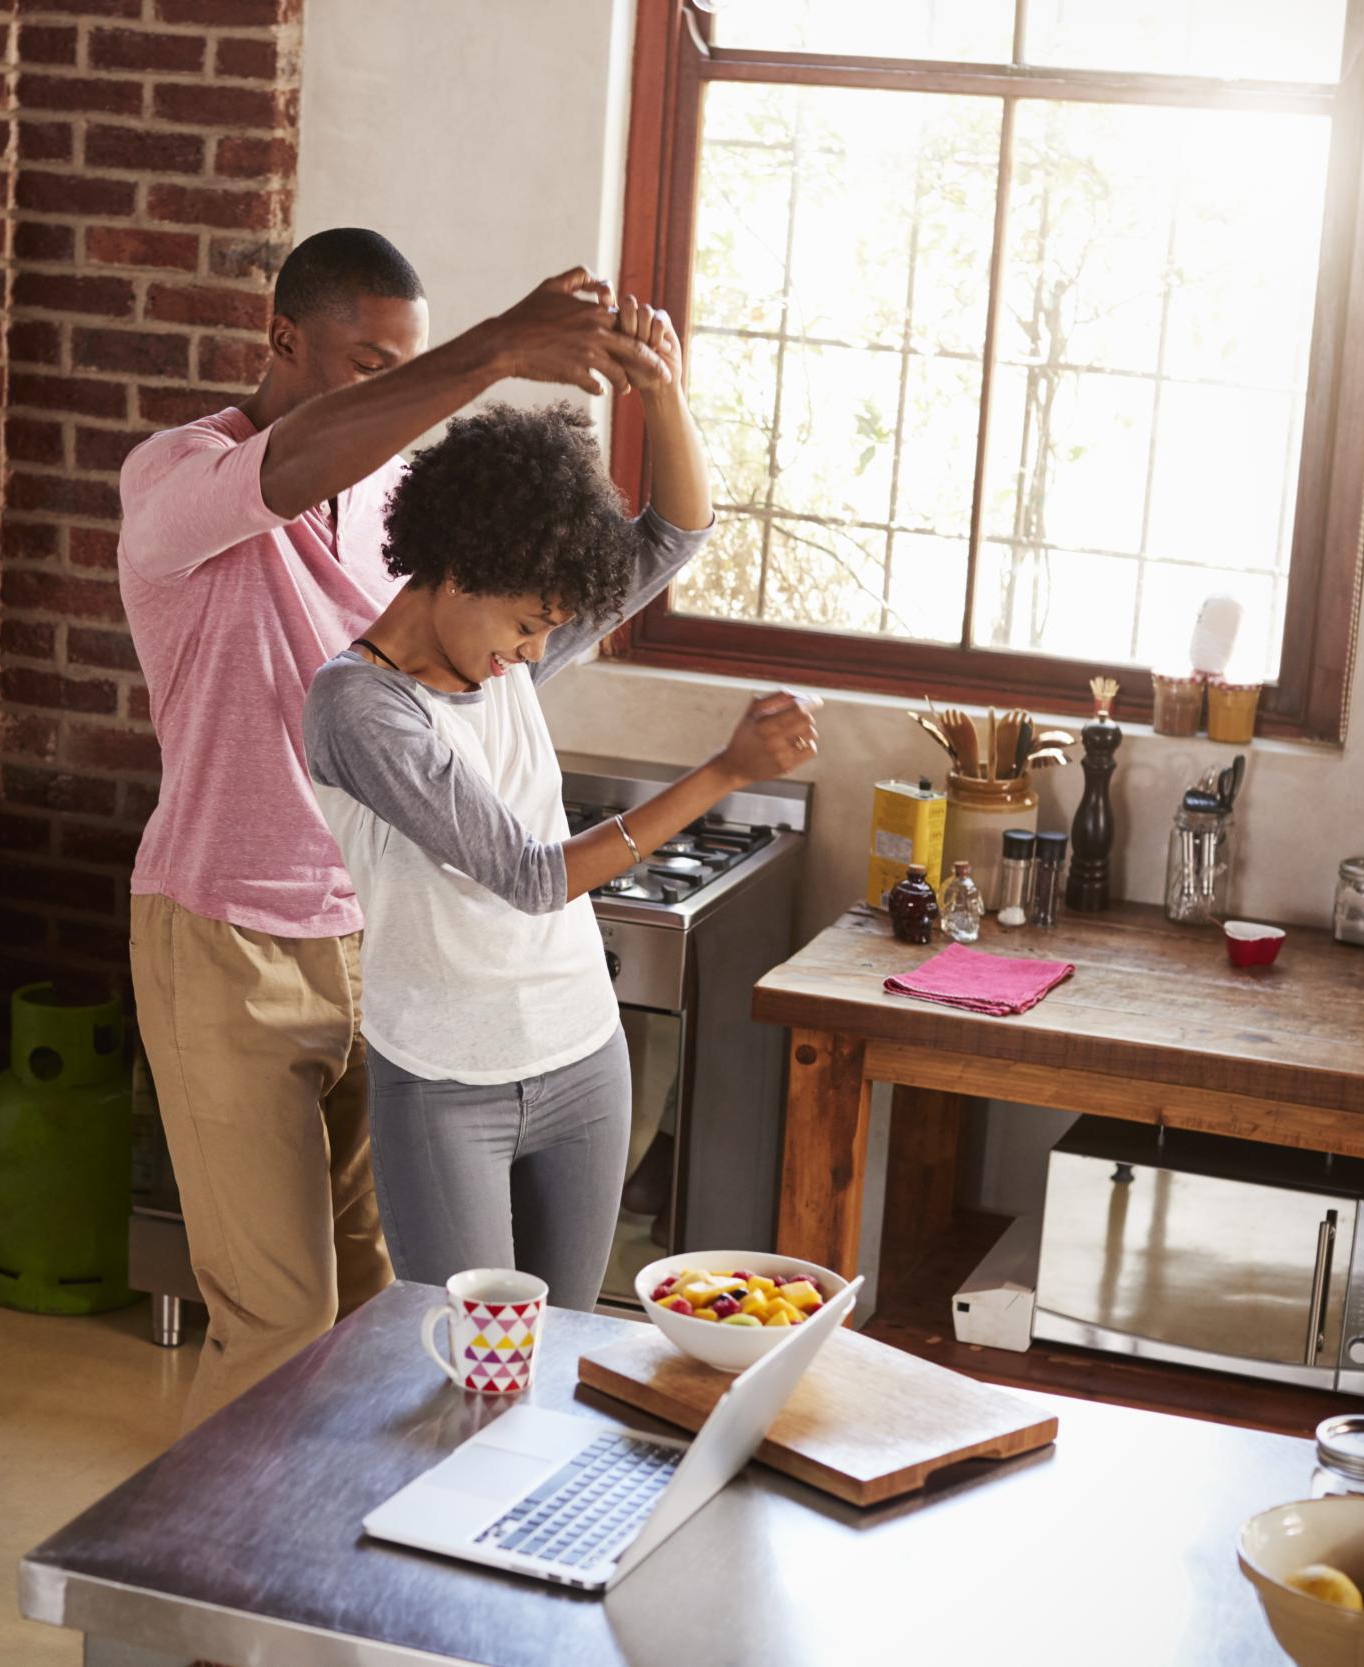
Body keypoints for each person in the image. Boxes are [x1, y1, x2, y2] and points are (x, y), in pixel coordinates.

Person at [118, 227, 667, 1426]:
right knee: (277, 1323)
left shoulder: (387, 513)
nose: (396, 393)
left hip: (380, 941)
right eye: (370, 365)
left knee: (390, 1321)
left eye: (404, 367)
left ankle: (352, 1591)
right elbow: (290, 465)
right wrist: (500, 348)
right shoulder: (174, 481)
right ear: (280, 338)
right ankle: (220, 1604)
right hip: (225, 938)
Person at [299, 296, 819, 1312]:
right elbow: (531, 876)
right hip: (447, 1083)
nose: (537, 653)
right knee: (474, 1376)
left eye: (550, 629)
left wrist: (661, 387)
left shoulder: (500, 654)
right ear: (459, 569)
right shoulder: (358, 709)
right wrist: (722, 771)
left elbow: (675, 531)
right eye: (529, 625)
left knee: (565, 1353)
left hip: (582, 1055)